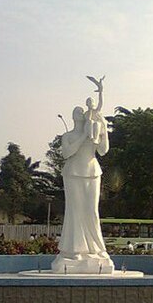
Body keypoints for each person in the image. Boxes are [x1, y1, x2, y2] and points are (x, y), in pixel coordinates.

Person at [52, 76, 114, 274]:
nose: (81, 112)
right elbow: (67, 153)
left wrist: (103, 129)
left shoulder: (93, 131)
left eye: (83, 110)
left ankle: (96, 249)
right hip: (73, 173)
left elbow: (104, 150)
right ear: (74, 117)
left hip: (92, 172)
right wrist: (83, 137)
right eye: (78, 111)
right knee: (75, 211)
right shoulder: (69, 136)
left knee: (91, 211)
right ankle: (73, 251)